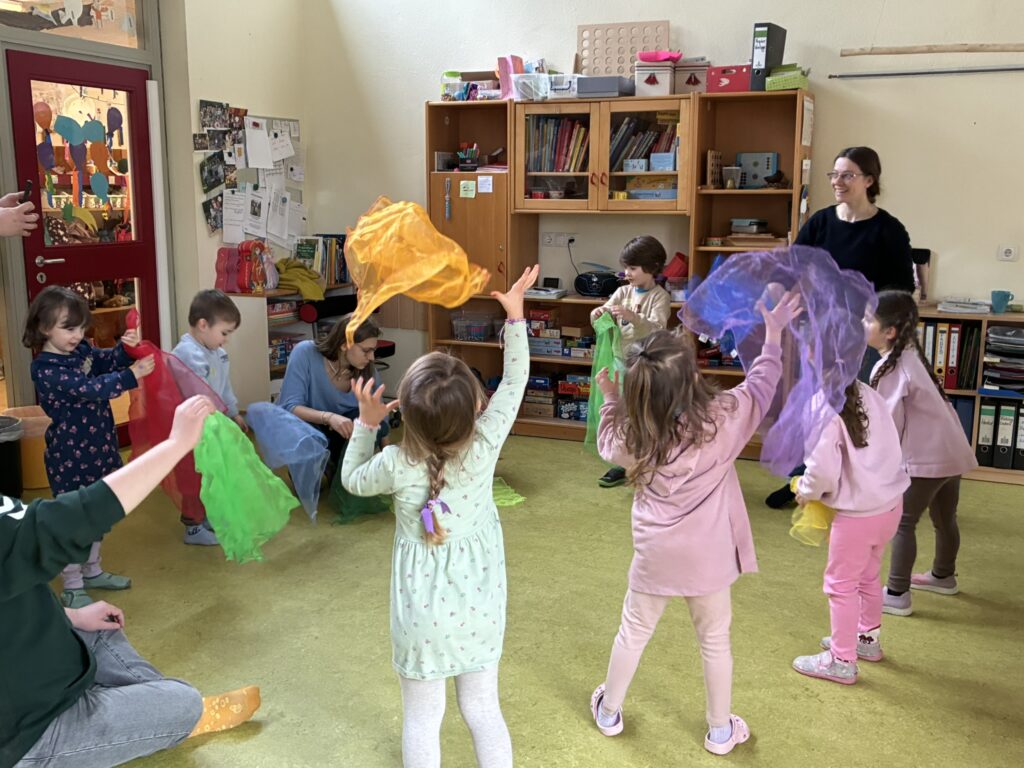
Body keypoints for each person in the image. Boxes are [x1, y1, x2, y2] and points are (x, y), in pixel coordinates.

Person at [342, 265, 539, 768]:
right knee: (483, 710)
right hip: (479, 611)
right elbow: (517, 379)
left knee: (422, 720)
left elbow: (352, 480)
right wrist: (514, 315)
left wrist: (366, 426)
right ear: (476, 407)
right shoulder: (487, 442)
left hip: (421, 619)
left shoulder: (395, 463)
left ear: (403, 411)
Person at [590, 291, 802, 756]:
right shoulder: (724, 418)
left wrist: (610, 399)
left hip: (656, 557)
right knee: (714, 640)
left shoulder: (633, 435)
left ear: (637, 388)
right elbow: (763, 383)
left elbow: (608, 440)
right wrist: (773, 333)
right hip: (709, 557)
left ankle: (608, 712)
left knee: (633, 631)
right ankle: (720, 730)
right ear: (692, 378)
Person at [1, 396, 260, 768]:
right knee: (184, 703)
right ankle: (166, 713)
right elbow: (70, 521)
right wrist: (175, 445)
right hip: (34, 730)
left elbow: (14, 574)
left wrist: (70, 619)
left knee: (99, 624)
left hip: (46, 671)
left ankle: (148, 708)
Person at [766, 146, 914, 508]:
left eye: (847, 175)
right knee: (813, 402)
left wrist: (870, 315)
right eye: (834, 175)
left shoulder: (889, 230)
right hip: (818, 328)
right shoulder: (820, 222)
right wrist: (778, 291)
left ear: (869, 180)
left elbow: (900, 292)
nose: (837, 182)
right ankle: (803, 479)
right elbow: (793, 266)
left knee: (854, 406)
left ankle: (856, 483)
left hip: (863, 334)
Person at [24, 286, 155, 609]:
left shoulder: (79, 351)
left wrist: (124, 351)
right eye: (68, 328)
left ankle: (93, 571)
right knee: (74, 522)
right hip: (70, 456)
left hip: (99, 448)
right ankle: (72, 583)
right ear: (43, 328)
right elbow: (89, 388)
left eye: (81, 328)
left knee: (97, 515)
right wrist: (130, 375)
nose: (77, 335)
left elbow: (102, 361)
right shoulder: (46, 369)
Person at [791, 376, 910, 685]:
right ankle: (866, 641)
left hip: (857, 517)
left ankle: (842, 659)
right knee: (868, 576)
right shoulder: (868, 392)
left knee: (840, 585)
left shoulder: (821, 405)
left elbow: (821, 471)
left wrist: (806, 490)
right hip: (890, 505)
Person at [866, 291, 977, 616]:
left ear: (890, 332)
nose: (862, 323)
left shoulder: (890, 367)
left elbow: (887, 425)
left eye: (869, 319)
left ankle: (897, 593)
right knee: (944, 518)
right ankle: (943, 575)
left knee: (904, 522)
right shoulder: (912, 355)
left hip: (926, 459)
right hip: (950, 452)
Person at [589, 235, 672, 488]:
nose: (627, 273)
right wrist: (597, 313)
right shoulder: (622, 291)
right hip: (620, 361)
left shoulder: (660, 297)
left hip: (646, 366)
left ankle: (646, 460)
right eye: (626, 267)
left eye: (633, 268)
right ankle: (623, 463)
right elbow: (599, 317)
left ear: (652, 267)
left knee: (644, 413)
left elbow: (657, 329)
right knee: (622, 411)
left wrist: (632, 317)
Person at [172, 289, 246, 546]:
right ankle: (192, 527)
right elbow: (198, 393)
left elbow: (223, 387)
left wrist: (234, 412)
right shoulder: (187, 355)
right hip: (194, 428)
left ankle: (208, 516)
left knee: (214, 472)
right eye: (224, 333)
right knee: (195, 476)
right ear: (203, 325)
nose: (225, 340)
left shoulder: (215, 351)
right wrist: (218, 419)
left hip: (213, 423)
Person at [277, 315, 389, 485]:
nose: (372, 357)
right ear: (344, 344)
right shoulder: (305, 353)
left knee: (368, 418)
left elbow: (380, 419)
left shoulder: (367, 371)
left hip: (341, 434)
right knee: (309, 487)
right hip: (306, 428)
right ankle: (317, 466)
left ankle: (334, 466)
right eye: (366, 351)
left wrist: (388, 459)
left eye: (373, 350)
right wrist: (330, 417)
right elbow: (290, 406)